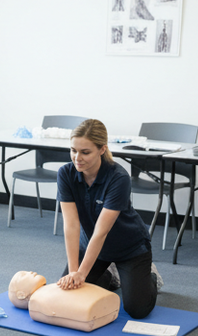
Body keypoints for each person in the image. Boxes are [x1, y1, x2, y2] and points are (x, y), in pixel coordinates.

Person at [56, 118, 159, 320]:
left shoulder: (118, 177)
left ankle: (150, 277)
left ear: (102, 149)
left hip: (129, 247)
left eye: (85, 152)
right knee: (71, 294)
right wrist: (74, 271)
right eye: (73, 150)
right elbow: (71, 225)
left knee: (137, 310)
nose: (77, 158)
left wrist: (82, 274)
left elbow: (101, 232)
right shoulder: (66, 174)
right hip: (92, 247)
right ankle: (109, 276)